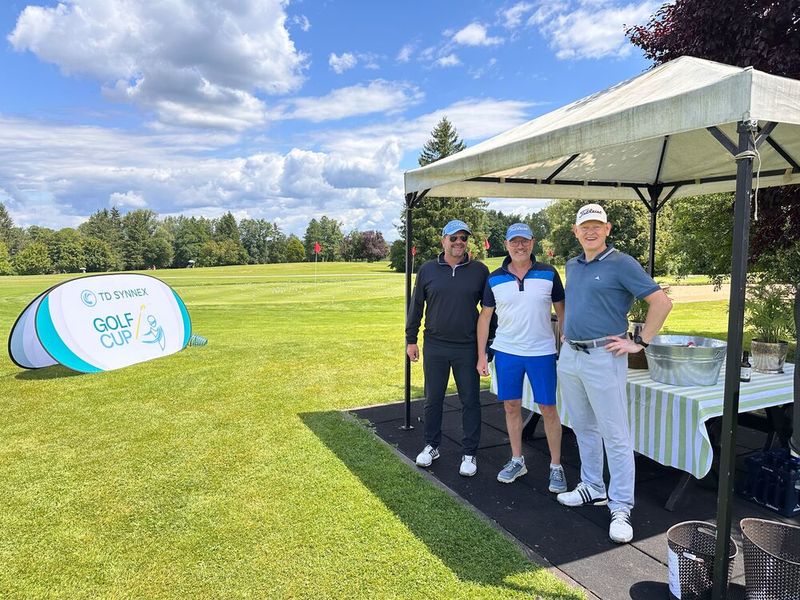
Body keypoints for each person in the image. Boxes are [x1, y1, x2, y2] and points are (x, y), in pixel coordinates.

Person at [556, 203, 672, 544]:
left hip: (603, 357)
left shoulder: (621, 263)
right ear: (576, 232)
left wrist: (640, 342)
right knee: (583, 427)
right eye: (584, 227)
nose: (590, 231)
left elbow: (661, 301)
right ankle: (592, 485)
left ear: (607, 230)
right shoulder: (573, 265)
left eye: (597, 226)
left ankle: (621, 505)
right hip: (571, 356)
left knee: (615, 434)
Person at [476, 223, 567, 492]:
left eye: (524, 241)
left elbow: (563, 312)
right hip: (506, 352)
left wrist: (567, 339)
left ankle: (556, 466)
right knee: (511, 406)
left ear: (532, 243)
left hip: (541, 353)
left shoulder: (549, 274)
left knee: (548, 409)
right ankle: (517, 460)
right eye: (514, 242)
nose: (520, 246)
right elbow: (485, 317)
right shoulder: (494, 278)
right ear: (506, 245)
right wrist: (482, 354)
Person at [407, 219, 490, 477]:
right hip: (435, 344)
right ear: (443, 240)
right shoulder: (428, 270)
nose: (458, 243)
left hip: (467, 347)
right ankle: (432, 446)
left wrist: (486, 347)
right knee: (433, 399)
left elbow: (489, 312)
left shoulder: (479, 270)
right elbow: (416, 305)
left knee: (470, 401)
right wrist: (411, 339)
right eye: (453, 238)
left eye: (463, 238)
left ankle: (469, 453)